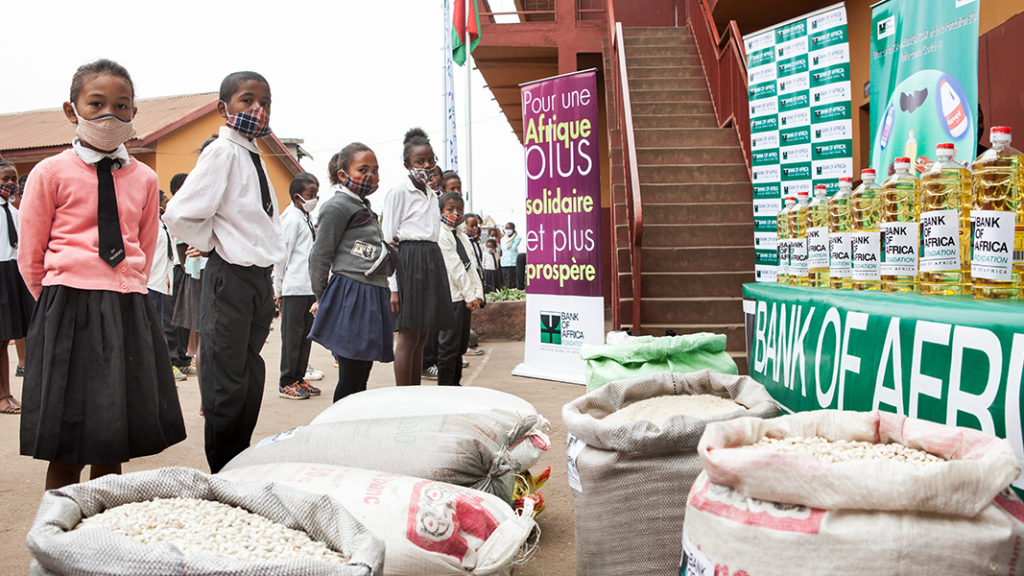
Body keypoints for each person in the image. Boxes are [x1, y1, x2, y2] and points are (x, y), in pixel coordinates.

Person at [18, 59, 186, 489]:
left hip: (126, 305)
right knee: (67, 436)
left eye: (121, 105)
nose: (109, 114)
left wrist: (122, 289)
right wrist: (59, 304)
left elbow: (144, 248)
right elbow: (31, 255)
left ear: (133, 113)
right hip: (67, 305)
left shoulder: (145, 179)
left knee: (115, 432)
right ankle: (57, 533)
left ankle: (101, 535)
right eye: (96, 104)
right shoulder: (49, 172)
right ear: (71, 111)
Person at [163, 70, 284, 473]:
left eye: (264, 102)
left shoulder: (253, 153)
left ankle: (240, 460)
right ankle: (223, 470)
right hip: (228, 275)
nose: (257, 109)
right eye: (246, 100)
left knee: (249, 373)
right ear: (224, 107)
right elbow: (179, 213)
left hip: (256, 279)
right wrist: (215, 243)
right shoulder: (222, 151)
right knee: (225, 379)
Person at [309, 143, 394, 402]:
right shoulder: (337, 207)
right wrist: (324, 298)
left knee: (361, 373)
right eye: (363, 169)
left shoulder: (363, 206)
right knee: (351, 375)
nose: (370, 176)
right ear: (343, 175)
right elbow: (319, 256)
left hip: (371, 294)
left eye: (375, 170)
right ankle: (338, 429)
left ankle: (353, 424)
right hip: (352, 296)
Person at [382, 128, 453, 387]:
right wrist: (393, 288)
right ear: (407, 165)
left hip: (431, 257)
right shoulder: (399, 192)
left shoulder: (431, 194)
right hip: (409, 260)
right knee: (409, 334)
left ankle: (416, 390)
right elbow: (388, 240)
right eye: (419, 162)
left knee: (423, 333)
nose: (426, 166)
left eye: (430, 161)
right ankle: (403, 394)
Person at [273, 172, 321, 400]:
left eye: (316, 194)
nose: (315, 199)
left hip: (308, 288)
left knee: (305, 337)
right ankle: (286, 381)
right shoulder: (290, 219)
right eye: (310, 195)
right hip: (293, 289)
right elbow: (282, 256)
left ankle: (299, 377)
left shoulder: (306, 217)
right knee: (292, 338)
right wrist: (278, 289)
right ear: (297, 196)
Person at [437, 192, 483, 386]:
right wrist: (468, 295)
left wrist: (477, 294)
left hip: (465, 298)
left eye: (459, 210)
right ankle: (445, 387)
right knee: (448, 347)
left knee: (460, 345)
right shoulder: (441, 235)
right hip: (452, 298)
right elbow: (455, 268)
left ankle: (455, 385)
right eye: (450, 210)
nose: (455, 214)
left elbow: (471, 266)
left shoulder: (461, 236)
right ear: (440, 211)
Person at [0, 160, 32, 414]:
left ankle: (7, 394)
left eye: (13, 179)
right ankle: (2, 396)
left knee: (5, 339)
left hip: (13, 273)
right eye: (4, 178)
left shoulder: (14, 212)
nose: (10, 184)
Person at [462, 211, 485, 357]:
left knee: (468, 317)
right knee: (463, 317)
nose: (474, 228)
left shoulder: (475, 241)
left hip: (475, 279)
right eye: (471, 225)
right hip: (466, 283)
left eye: (476, 225)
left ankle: (467, 345)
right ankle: (463, 347)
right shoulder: (464, 241)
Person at [500, 222, 521, 290]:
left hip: (513, 263)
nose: (508, 230)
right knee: (506, 282)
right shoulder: (502, 239)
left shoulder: (518, 239)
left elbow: (514, 248)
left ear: (513, 229)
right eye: (506, 228)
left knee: (513, 282)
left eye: (509, 228)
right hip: (504, 263)